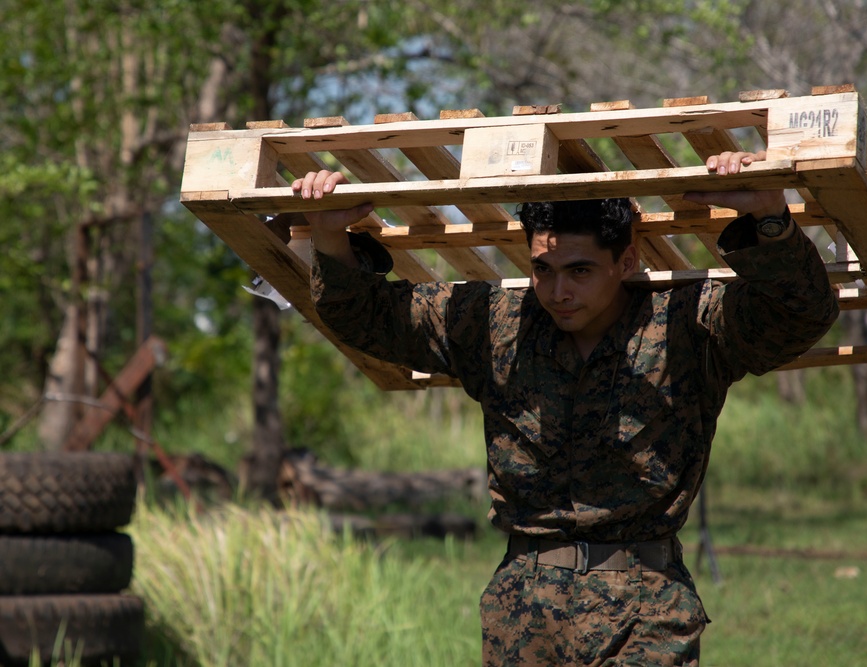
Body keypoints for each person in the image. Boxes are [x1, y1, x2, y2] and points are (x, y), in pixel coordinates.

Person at [291, 150, 839, 666]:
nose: (558, 291)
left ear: (625, 261)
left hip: (645, 607)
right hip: (523, 607)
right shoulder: (494, 324)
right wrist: (329, 235)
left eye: (579, 271)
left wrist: (770, 219)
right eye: (543, 269)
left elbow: (801, 314)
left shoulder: (687, 325)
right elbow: (369, 318)